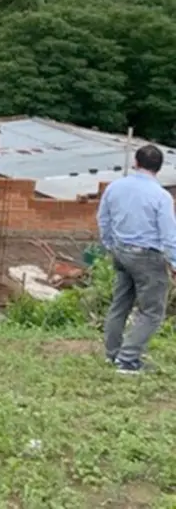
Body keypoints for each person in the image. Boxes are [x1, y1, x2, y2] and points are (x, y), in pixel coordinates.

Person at [98, 144, 176, 375]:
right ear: (159, 168)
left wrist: (110, 244)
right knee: (152, 311)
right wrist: (174, 262)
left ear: (136, 162)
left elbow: (103, 218)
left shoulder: (115, 187)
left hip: (121, 251)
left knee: (120, 303)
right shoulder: (161, 196)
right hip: (147, 256)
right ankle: (128, 359)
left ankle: (112, 354)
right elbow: (168, 233)